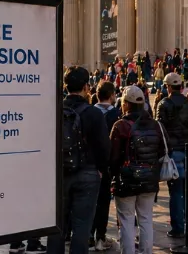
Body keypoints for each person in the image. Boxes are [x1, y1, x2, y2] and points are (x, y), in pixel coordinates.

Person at [48, 67, 111, 254]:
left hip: (59, 173)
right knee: (82, 228)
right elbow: (104, 147)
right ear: (86, 87)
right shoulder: (94, 114)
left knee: (57, 226)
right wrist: (101, 169)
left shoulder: (54, 110)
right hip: (88, 173)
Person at [110, 86, 167, 254]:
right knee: (146, 219)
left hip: (126, 180)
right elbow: (162, 152)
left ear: (126, 104)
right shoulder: (156, 125)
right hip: (149, 179)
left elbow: (112, 158)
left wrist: (113, 175)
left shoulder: (120, 126)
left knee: (126, 221)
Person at [155, 73, 188, 239]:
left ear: (167, 87)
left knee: (176, 191)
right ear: (180, 86)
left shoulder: (163, 104)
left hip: (174, 152)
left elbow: (160, 129)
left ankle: (178, 228)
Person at [91, 81, 121, 251]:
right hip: (108, 164)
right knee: (103, 202)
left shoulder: (89, 112)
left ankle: (88, 235)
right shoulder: (116, 115)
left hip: (88, 163)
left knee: (88, 201)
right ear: (111, 96)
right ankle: (100, 237)